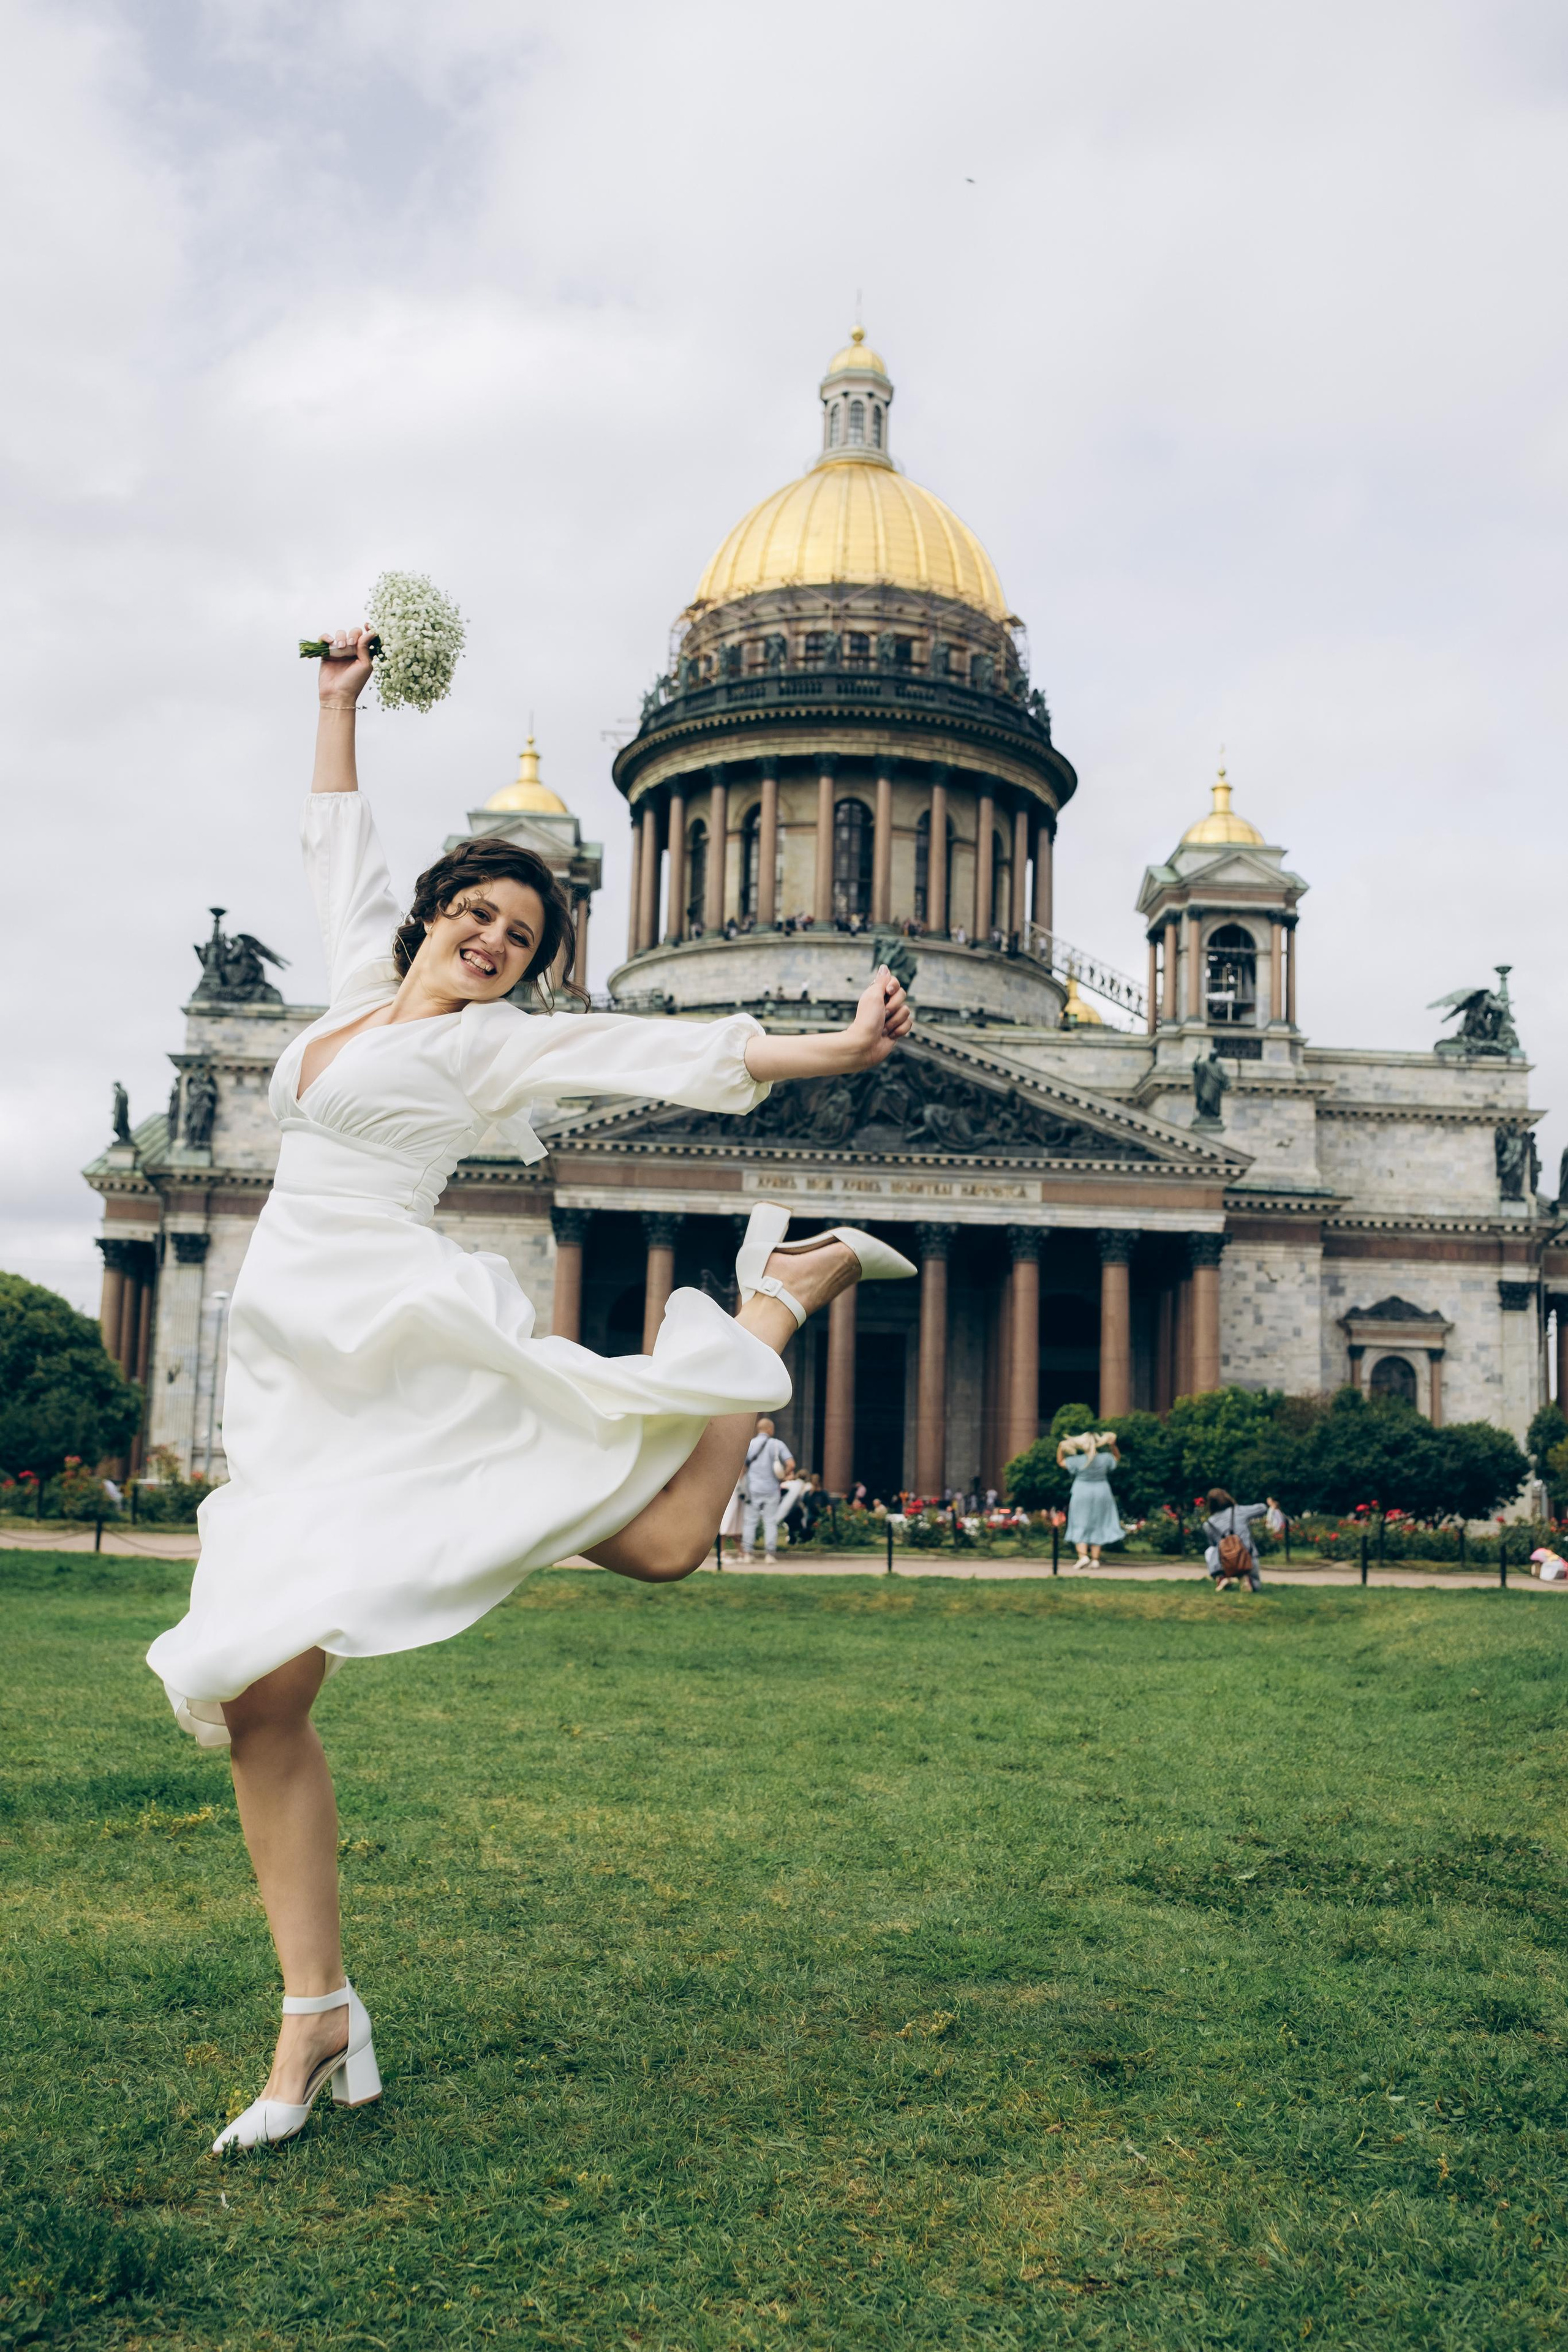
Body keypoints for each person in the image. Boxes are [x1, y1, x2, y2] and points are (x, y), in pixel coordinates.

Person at [146, 625, 917, 2155]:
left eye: (523, 931)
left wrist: (829, 1045)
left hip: (399, 1329)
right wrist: (334, 702)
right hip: (296, 1358)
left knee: (656, 1546)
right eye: (477, 913)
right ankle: (318, 2009)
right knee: (259, 1691)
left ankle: (784, 1287)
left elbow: (656, 1047)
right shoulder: (354, 993)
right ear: (433, 914)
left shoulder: (501, 1043)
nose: (495, 938)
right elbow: (336, 838)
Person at [1058, 1430, 1123, 1566]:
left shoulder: (1077, 1460)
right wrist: (1113, 1446)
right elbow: (1117, 1458)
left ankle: (1082, 1557)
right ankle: (1095, 1559)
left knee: (1079, 1523)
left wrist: (1061, 1448)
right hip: (1102, 1491)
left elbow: (1061, 1462)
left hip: (1082, 1491)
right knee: (1098, 1524)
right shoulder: (1105, 1458)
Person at [1201, 1487, 1278, 1591]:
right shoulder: (1238, 1511)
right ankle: (1246, 1578)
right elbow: (1263, 1508)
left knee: (1210, 1551)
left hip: (1226, 1562)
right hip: (1248, 1556)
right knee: (1256, 1588)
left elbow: (1213, 1544)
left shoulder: (1209, 1524)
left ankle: (1222, 1577)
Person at [739, 1416, 794, 1562]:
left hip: (753, 1489)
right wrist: (783, 1477)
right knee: (770, 1522)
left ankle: (748, 1554)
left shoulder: (750, 1444)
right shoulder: (777, 1445)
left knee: (750, 1521)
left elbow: (742, 1467)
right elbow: (791, 1464)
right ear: (770, 1429)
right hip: (771, 1488)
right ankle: (770, 1555)